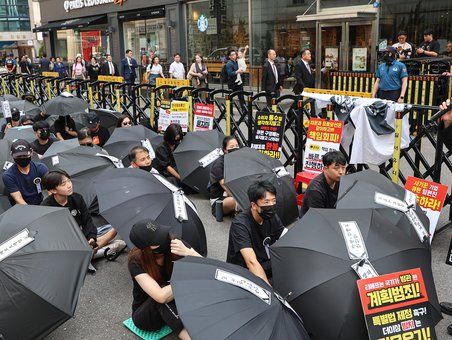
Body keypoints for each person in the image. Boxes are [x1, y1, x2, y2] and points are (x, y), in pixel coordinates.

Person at [128, 219, 199, 338]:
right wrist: (189, 278)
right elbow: (160, 296)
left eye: (163, 233)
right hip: (146, 315)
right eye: (158, 238)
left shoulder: (176, 244)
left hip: (177, 302)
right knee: (163, 295)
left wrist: (189, 253)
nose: (166, 237)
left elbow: (209, 268)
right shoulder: (136, 261)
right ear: (148, 248)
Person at [41, 170, 123, 259]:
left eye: (69, 180)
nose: (69, 185)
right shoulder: (47, 207)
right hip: (67, 243)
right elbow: (53, 236)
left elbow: (87, 220)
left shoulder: (77, 198)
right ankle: (102, 250)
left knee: (109, 229)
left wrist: (91, 238)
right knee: (75, 254)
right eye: (63, 184)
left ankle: (94, 249)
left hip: (82, 234)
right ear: (53, 190)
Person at [226, 180, 285, 285]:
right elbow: (251, 262)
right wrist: (268, 291)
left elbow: (286, 238)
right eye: (266, 202)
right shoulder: (240, 224)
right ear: (254, 205)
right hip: (243, 271)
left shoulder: (272, 216)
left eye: (274, 201)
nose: (271, 205)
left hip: (265, 262)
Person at [300, 150, 346, 217]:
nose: (341, 172)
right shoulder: (315, 190)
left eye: (343, 168)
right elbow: (317, 218)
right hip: (312, 222)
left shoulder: (340, 180)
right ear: (325, 169)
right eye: (336, 168)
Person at [2, 139, 49, 205]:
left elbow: (51, 188)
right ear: (11, 155)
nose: (22, 158)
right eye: (18, 156)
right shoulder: (8, 175)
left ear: (31, 152)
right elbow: (18, 199)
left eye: (25, 155)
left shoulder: (41, 168)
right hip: (21, 208)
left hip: (40, 203)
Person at [209, 136, 240, 217]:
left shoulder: (238, 160)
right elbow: (224, 184)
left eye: (237, 146)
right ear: (225, 150)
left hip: (234, 193)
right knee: (234, 201)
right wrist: (240, 198)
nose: (235, 148)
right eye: (232, 147)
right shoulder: (219, 164)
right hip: (219, 199)